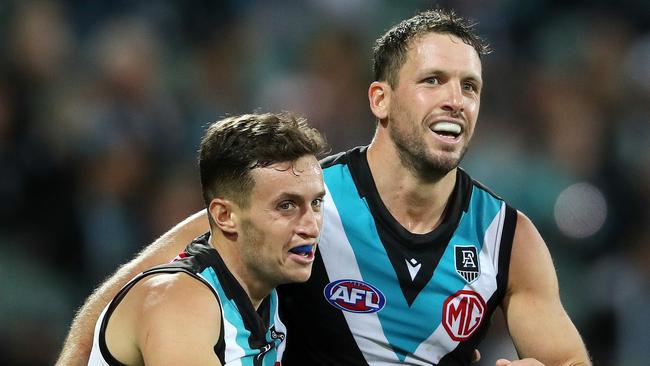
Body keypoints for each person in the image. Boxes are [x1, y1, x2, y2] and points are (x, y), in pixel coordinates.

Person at [59, 9, 591, 366]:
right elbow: (138, 288)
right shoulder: (294, 199)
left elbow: (567, 360)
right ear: (380, 99)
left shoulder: (506, 239)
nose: (456, 99)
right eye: (433, 81)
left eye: (469, 86)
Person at [85, 112, 327, 365]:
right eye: (286, 205)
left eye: (317, 202)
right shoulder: (177, 301)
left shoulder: (265, 295)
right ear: (224, 216)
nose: (311, 226)